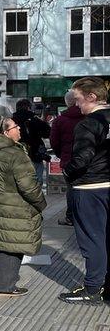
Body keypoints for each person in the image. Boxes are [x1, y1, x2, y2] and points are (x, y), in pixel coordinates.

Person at [0, 116, 46, 297]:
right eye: (16, 126)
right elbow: (28, 186)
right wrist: (40, 203)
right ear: (6, 132)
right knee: (11, 243)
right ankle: (5, 286)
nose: (20, 129)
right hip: (13, 207)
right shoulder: (14, 154)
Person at [59, 77, 110, 304]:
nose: (77, 105)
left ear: (92, 97)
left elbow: (82, 158)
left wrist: (68, 173)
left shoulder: (88, 123)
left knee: (93, 239)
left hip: (89, 187)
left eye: (79, 100)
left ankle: (92, 288)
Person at [51, 90, 85, 226]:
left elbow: (54, 142)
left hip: (68, 160)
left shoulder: (60, 120)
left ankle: (71, 217)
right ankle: (85, 216)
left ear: (66, 103)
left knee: (71, 189)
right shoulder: (88, 117)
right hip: (87, 159)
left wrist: (62, 155)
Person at [12, 98, 52, 184]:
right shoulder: (34, 120)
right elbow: (47, 133)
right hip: (34, 155)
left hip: (16, 156)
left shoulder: (11, 121)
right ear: (28, 108)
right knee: (36, 181)